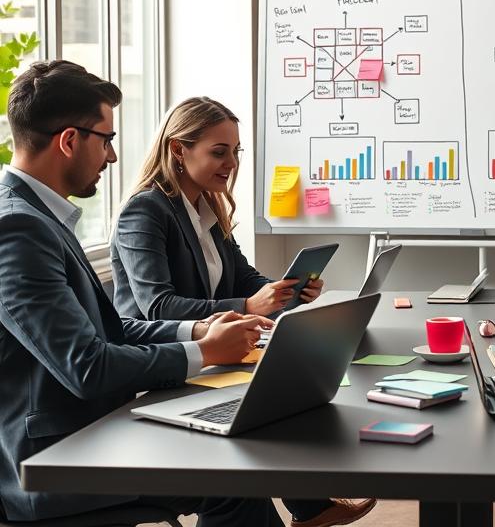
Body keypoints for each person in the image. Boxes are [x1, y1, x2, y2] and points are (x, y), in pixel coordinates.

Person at [0, 63, 373, 527]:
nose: (112, 157)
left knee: (243, 439)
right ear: (70, 141)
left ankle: (310, 508)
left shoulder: (42, 217)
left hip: (95, 428)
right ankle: (310, 507)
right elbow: (88, 366)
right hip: (59, 459)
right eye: (106, 140)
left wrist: (202, 331)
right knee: (233, 474)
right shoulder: (18, 228)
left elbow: (112, 329)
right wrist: (202, 349)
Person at [111, 97, 322, 320]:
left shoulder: (208, 209)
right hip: (158, 350)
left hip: (210, 344)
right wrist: (248, 307)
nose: (232, 163)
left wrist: (287, 292)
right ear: (178, 150)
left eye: (235, 151)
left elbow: (244, 280)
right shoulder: (145, 210)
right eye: (219, 153)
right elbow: (159, 306)